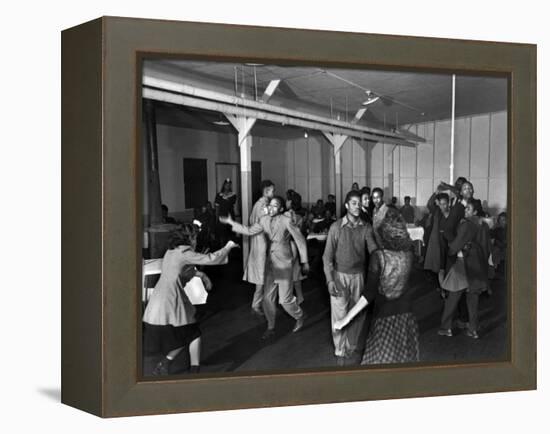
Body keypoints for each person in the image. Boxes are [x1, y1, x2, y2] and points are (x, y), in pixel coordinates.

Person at [143, 224, 239, 375]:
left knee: (188, 335)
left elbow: (182, 270)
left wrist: (202, 275)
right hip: (171, 300)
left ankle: (167, 364)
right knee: (192, 334)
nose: (196, 240)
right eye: (194, 237)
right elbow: (211, 259)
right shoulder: (185, 252)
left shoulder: (172, 251)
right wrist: (228, 246)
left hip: (159, 300)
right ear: (189, 238)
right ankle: (190, 370)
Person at [333, 213, 419, 365]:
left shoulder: (378, 257)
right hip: (406, 317)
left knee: (378, 365)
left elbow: (368, 294)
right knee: (403, 364)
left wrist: (345, 319)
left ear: (384, 235)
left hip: (384, 317)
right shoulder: (410, 255)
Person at [221, 196, 309, 340]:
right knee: (267, 299)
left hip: (283, 264)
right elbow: (249, 231)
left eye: (275, 206)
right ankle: (270, 326)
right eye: (270, 205)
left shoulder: (286, 220)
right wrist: (231, 222)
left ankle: (300, 315)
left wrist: (305, 261)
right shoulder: (264, 220)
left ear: (281, 209)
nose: (272, 208)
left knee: (285, 300)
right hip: (270, 263)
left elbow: (300, 240)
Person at [323, 190, 377, 365]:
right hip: (339, 276)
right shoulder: (336, 227)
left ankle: (351, 345)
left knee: (358, 313)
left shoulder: (366, 227)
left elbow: (374, 251)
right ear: (346, 205)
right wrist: (330, 280)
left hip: (359, 277)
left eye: (359, 203)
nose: (357, 206)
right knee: (339, 314)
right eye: (353, 203)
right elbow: (326, 257)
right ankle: (340, 350)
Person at [438, 199, 491, 339]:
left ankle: (446, 327)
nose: (465, 211)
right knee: (473, 300)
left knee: (452, 298)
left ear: (474, 212)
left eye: (468, 209)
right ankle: (473, 330)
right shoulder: (484, 225)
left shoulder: (467, 225)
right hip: (478, 266)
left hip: (463, 264)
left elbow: (455, 246)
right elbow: (487, 249)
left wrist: (450, 251)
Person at [244, 180, 275, 317]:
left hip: (261, 242)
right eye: (272, 191)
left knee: (264, 275)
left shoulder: (260, 204)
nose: (274, 193)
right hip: (261, 243)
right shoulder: (262, 205)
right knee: (261, 276)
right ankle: (256, 305)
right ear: (266, 191)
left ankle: (262, 303)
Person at [285, 191, 307, 305]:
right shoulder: (300, 216)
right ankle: (300, 296)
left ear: (291, 202)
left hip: (289, 246)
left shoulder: (288, 215)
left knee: (287, 273)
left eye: (287, 199)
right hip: (297, 246)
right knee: (295, 274)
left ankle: (288, 297)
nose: (286, 201)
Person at [424, 192, 451, 283]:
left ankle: (444, 282)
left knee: (444, 260)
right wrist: (436, 192)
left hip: (445, 239)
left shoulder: (451, 213)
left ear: (448, 203)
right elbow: (429, 204)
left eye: (444, 204)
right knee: (435, 258)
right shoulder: (436, 210)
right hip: (435, 238)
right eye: (440, 203)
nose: (442, 206)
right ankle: (438, 279)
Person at [214, 178, 237, 246]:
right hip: (222, 217)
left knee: (230, 235)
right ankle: (222, 250)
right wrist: (216, 218)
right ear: (224, 185)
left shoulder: (233, 195)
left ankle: (229, 251)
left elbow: (231, 202)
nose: (228, 186)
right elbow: (217, 207)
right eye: (226, 184)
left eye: (229, 184)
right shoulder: (219, 195)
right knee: (222, 236)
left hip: (230, 217)